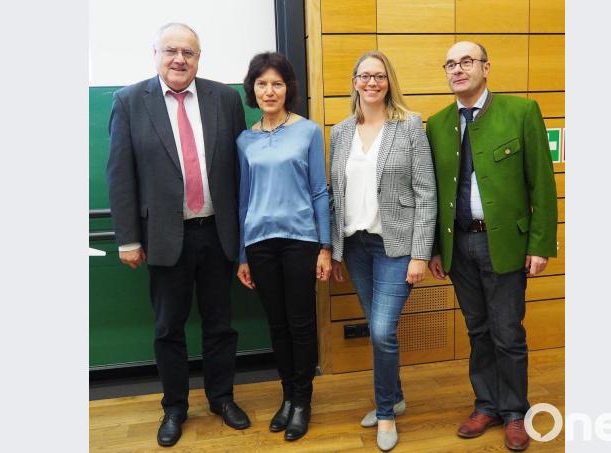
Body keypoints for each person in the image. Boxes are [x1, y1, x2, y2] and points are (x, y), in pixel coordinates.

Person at [106, 23, 250, 447]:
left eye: (188, 52)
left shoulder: (225, 98)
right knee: (168, 328)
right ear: (156, 53)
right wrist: (128, 238)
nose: (179, 59)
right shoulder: (130, 101)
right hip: (164, 238)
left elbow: (240, 172)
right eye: (171, 51)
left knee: (220, 324)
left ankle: (222, 398)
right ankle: (174, 407)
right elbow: (120, 176)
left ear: (199, 58)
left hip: (217, 234)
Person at [425, 41, 558, 451]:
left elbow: (542, 184)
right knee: (478, 331)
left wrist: (540, 244)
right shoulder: (438, 123)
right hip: (458, 246)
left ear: (486, 67)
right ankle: (486, 404)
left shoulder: (521, 112)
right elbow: (432, 193)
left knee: (507, 332)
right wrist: (433, 248)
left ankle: (515, 411)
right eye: (450, 63)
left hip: (505, 245)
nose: (457, 69)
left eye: (466, 61)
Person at [329, 50, 437, 452]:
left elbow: (426, 192)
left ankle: (387, 412)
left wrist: (420, 254)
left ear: (389, 81)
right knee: (380, 331)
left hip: (395, 246)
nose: (372, 83)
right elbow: (335, 194)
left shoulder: (408, 126)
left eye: (379, 76)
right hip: (356, 246)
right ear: (354, 81)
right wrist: (335, 249)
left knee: (380, 330)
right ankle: (397, 395)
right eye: (364, 76)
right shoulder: (340, 132)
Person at [235, 52, 331, 441]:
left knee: (301, 324)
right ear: (252, 90)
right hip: (259, 243)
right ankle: (287, 397)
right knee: (277, 325)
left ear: (288, 89)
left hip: (300, 241)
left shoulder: (307, 131)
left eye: (277, 83)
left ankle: (303, 401)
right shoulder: (245, 140)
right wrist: (243, 253)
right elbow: (243, 199)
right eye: (262, 84)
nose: (269, 90)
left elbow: (320, 192)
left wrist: (325, 246)